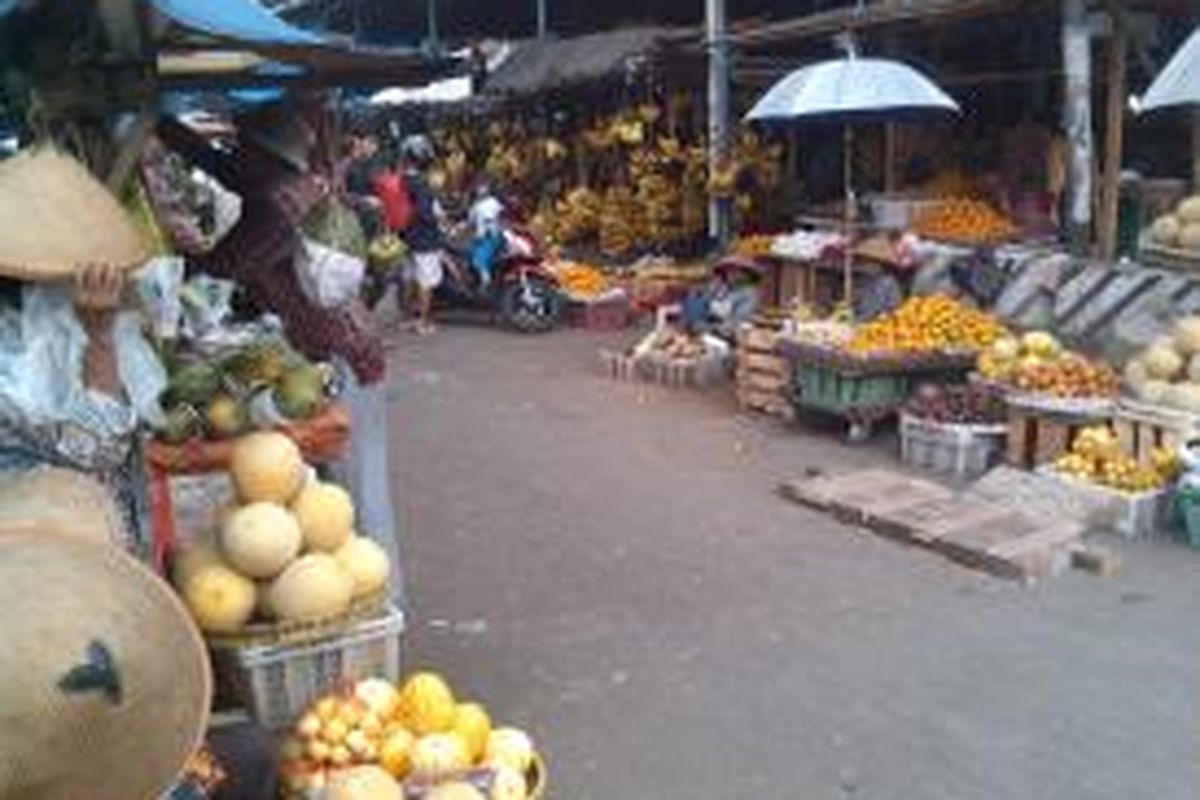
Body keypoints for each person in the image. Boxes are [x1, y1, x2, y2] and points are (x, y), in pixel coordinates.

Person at [156, 103, 405, 608]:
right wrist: (166, 126)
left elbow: (224, 266)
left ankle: (377, 598)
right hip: (341, 353)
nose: (234, 156)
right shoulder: (291, 182)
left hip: (341, 361)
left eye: (242, 148)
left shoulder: (278, 205)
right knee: (334, 492)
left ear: (262, 156)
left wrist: (173, 256)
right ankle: (353, 593)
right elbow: (226, 171)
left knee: (345, 499)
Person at [398, 134, 446, 335]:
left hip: (405, 236)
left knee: (409, 277)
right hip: (424, 238)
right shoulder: (421, 183)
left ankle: (408, 319)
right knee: (426, 281)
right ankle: (423, 323)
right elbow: (426, 213)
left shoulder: (402, 179)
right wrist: (440, 220)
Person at [681, 257, 764, 341]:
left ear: (747, 275)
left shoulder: (749, 295)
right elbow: (700, 304)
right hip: (701, 330)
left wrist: (710, 328)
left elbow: (737, 321)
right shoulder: (720, 288)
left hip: (726, 336)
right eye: (729, 271)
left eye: (736, 271)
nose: (731, 274)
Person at [467, 181, 505, 291]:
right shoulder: (494, 203)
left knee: (478, 261)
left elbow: (471, 222)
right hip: (493, 236)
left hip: (487, 238)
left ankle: (486, 283)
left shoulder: (480, 205)